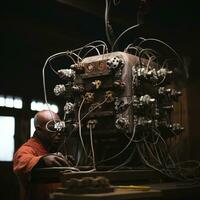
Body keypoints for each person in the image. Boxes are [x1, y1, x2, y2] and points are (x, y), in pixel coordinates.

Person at [13, 110, 72, 200]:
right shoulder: (27, 149)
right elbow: (22, 161)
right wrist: (42, 160)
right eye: (52, 128)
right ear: (39, 129)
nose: (59, 132)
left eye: (59, 127)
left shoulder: (50, 147)